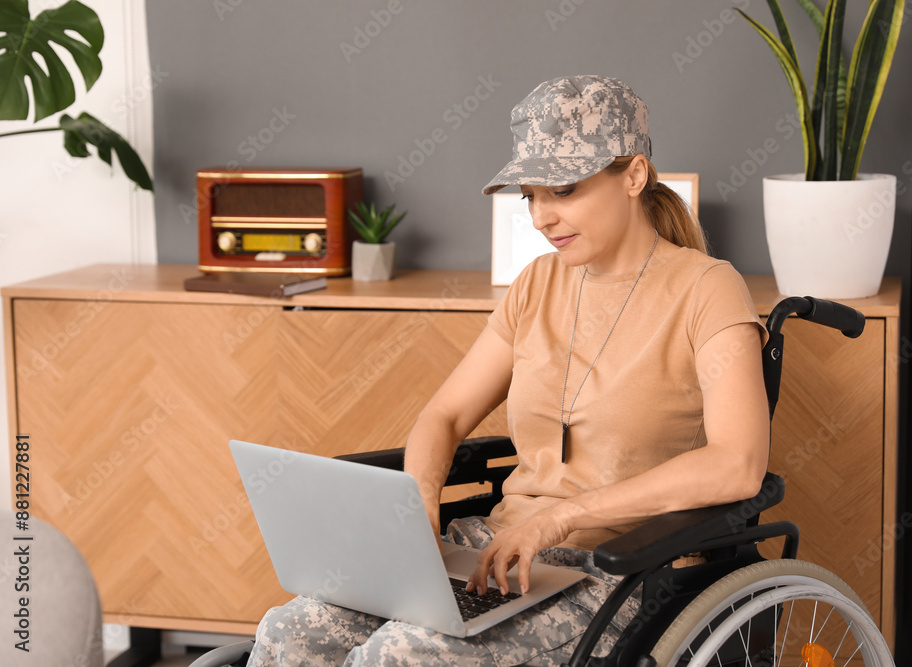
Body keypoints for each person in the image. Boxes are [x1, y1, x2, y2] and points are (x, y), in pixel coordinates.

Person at [245, 74, 770, 667]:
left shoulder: (707, 288)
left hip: (617, 571)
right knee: (291, 633)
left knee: (400, 657)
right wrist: (417, 508)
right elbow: (444, 415)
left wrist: (561, 517)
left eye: (564, 190)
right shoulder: (536, 285)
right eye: (530, 195)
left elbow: (738, 464)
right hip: (493, 553)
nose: (542, 217)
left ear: (634, 175)